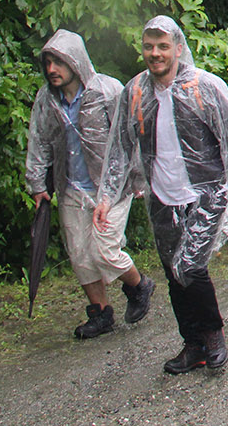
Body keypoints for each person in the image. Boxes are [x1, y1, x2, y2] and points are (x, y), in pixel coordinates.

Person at [94, 15, 228, 375]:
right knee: (172, 271)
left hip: (206, 194)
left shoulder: (204, 87)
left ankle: (213, 335)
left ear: (178, 49)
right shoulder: (135, 92)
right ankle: (192, 344)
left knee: (191, 268)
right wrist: (106, 197)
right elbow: (118, 149)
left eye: (163, 46)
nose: (156, 53)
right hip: (162, 197)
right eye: (149, 47)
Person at [25, 29, 154, 340]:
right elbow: (39, 140)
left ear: (75, 60)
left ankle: (138, 285)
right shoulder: (47, 99)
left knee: (105, 250)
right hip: (71, 186)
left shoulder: (107, 90)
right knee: (80, 254)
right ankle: (100, 313)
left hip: (111, 186)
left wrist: (137, 177)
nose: (52, 69)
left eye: (58, 62)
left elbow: (130, 136)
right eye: (48, 63)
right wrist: (37, 182)